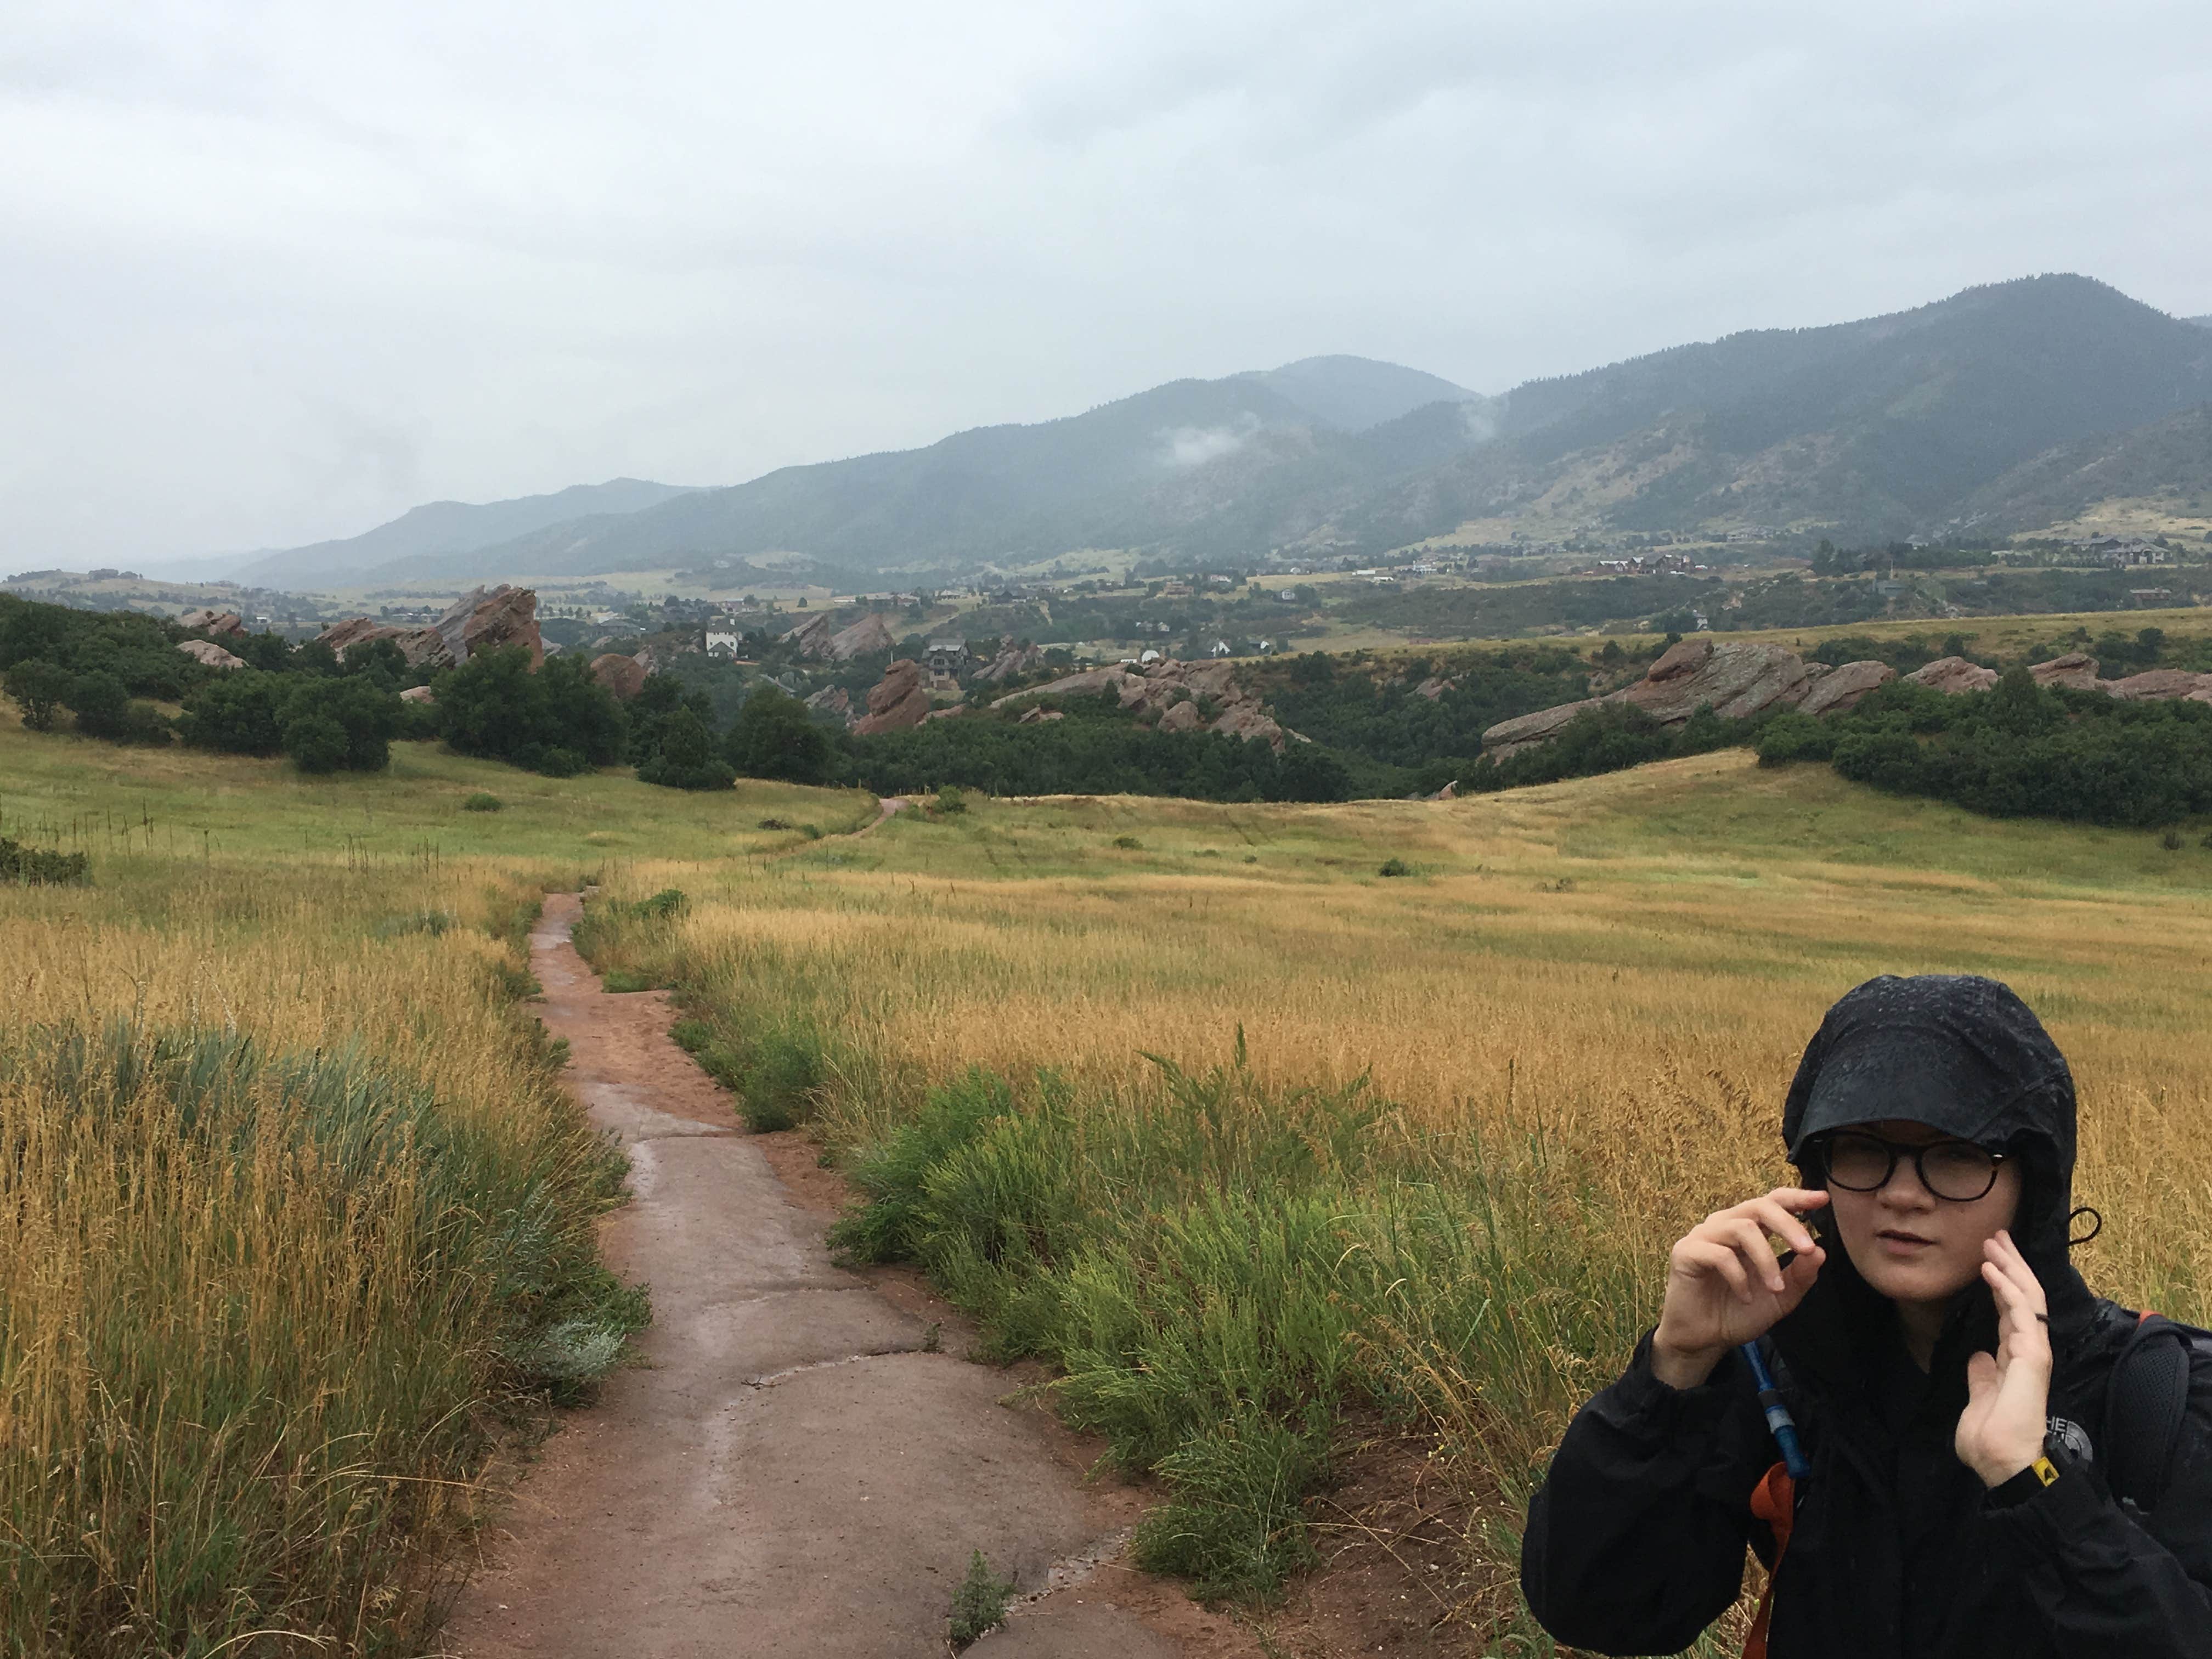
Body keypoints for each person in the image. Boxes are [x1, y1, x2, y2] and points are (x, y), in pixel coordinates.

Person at [1520, 974, 2212, 1657]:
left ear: (2031, 1184)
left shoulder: (2156, 1396)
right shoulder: (1781, 1376)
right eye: (1864, 1149)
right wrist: (1673, 1371)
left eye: (1957, 1155)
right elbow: (1602, 1612)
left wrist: (2035, 1485)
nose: (1903, 1194)